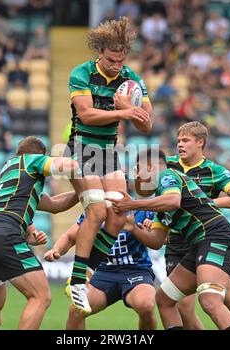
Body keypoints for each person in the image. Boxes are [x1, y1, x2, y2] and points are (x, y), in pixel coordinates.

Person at [63, 16, 152, 314]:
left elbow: (146, 125)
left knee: (118, 214)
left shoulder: (132, 80)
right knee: (98, 210)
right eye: (111, 60)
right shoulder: (82, 73)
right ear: (100, 52)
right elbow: (86, 115)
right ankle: (78, 280)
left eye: (121, 60)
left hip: (107, 154)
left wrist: (132, 110)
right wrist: (125, 114)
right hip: (81, 148)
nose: (116, 65)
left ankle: (85, 272)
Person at [109, 149, 230, 330]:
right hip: (199, 245)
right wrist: (132, 227)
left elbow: (173, 201)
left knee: (209, 299)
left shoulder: (166, 175)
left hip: (215, 237)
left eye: (137, 170)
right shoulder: (160, 203)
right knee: (164, 300)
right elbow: (157, 241)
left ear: (148, 167)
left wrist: (132, 204)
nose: (136, 177)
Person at [0, 136, 78, 330]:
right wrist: (97, 174)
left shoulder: (11, 177)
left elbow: (56, 205)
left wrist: (84, 194)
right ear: (39, 155)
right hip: (4, 234)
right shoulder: (31, 160)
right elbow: (69, 165)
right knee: (41, 296)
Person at [165, 121, 230, 330]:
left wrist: (208, 203)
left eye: (185, 140)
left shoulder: (213, 170)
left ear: (200, 142)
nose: (180, 145)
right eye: (178, 141)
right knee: (183, 308)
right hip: (177, 243)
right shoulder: (167, 166)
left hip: (206, 239)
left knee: (229, 300)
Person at [45, 210, 157, 330]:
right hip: (103, 271)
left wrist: (150, 229)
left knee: (146, 306)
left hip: (136, 270)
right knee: (76, 311)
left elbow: (161, 239)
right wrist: (56, 250)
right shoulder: (94, 211)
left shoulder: (142, 211)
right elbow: (70, 237)